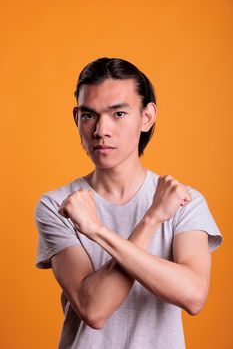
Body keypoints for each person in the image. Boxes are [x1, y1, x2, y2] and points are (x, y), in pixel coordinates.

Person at [34, 57, 223, 349]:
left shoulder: (184, 200)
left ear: (147, 117)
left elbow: (194, 295)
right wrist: (151, 220)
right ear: (76, 119)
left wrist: (98, 230)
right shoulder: (58, 205)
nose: (100, 130)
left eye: (118, 114)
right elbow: (93, 309)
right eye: (88, 115)